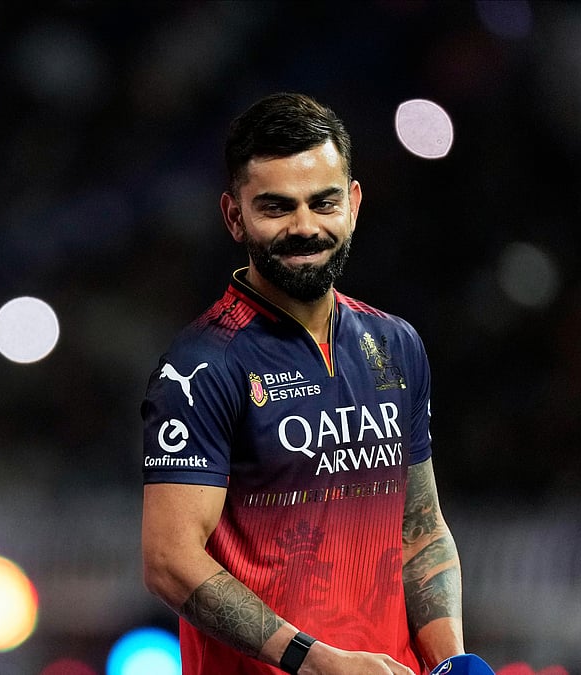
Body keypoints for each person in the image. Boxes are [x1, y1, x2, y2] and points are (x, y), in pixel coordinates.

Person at [140, 93, 464, 675]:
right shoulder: (200, 366)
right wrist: (315, 662)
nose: (305, 228)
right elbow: (169, 560)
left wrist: (452, 664)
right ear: (233, 215)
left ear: (354, 204)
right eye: (276, 207)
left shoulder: (396, 345)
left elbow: (420, 531)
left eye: (324, 203)